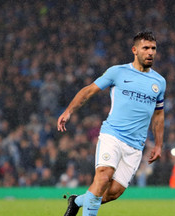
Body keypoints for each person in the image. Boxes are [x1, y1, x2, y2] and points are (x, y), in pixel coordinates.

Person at [57, 31, 166, 216]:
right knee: (103, 175)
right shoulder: (118, 72)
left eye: (153, 48)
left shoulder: (159, 82)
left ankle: (76, 201)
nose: (150, 52)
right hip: (113, 135)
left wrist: (158, 144)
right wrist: (69, 111)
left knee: (113, 193)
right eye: (145, 48)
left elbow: (158, 115)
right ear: (135, 50)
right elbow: (89, 91)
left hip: (136, 146)